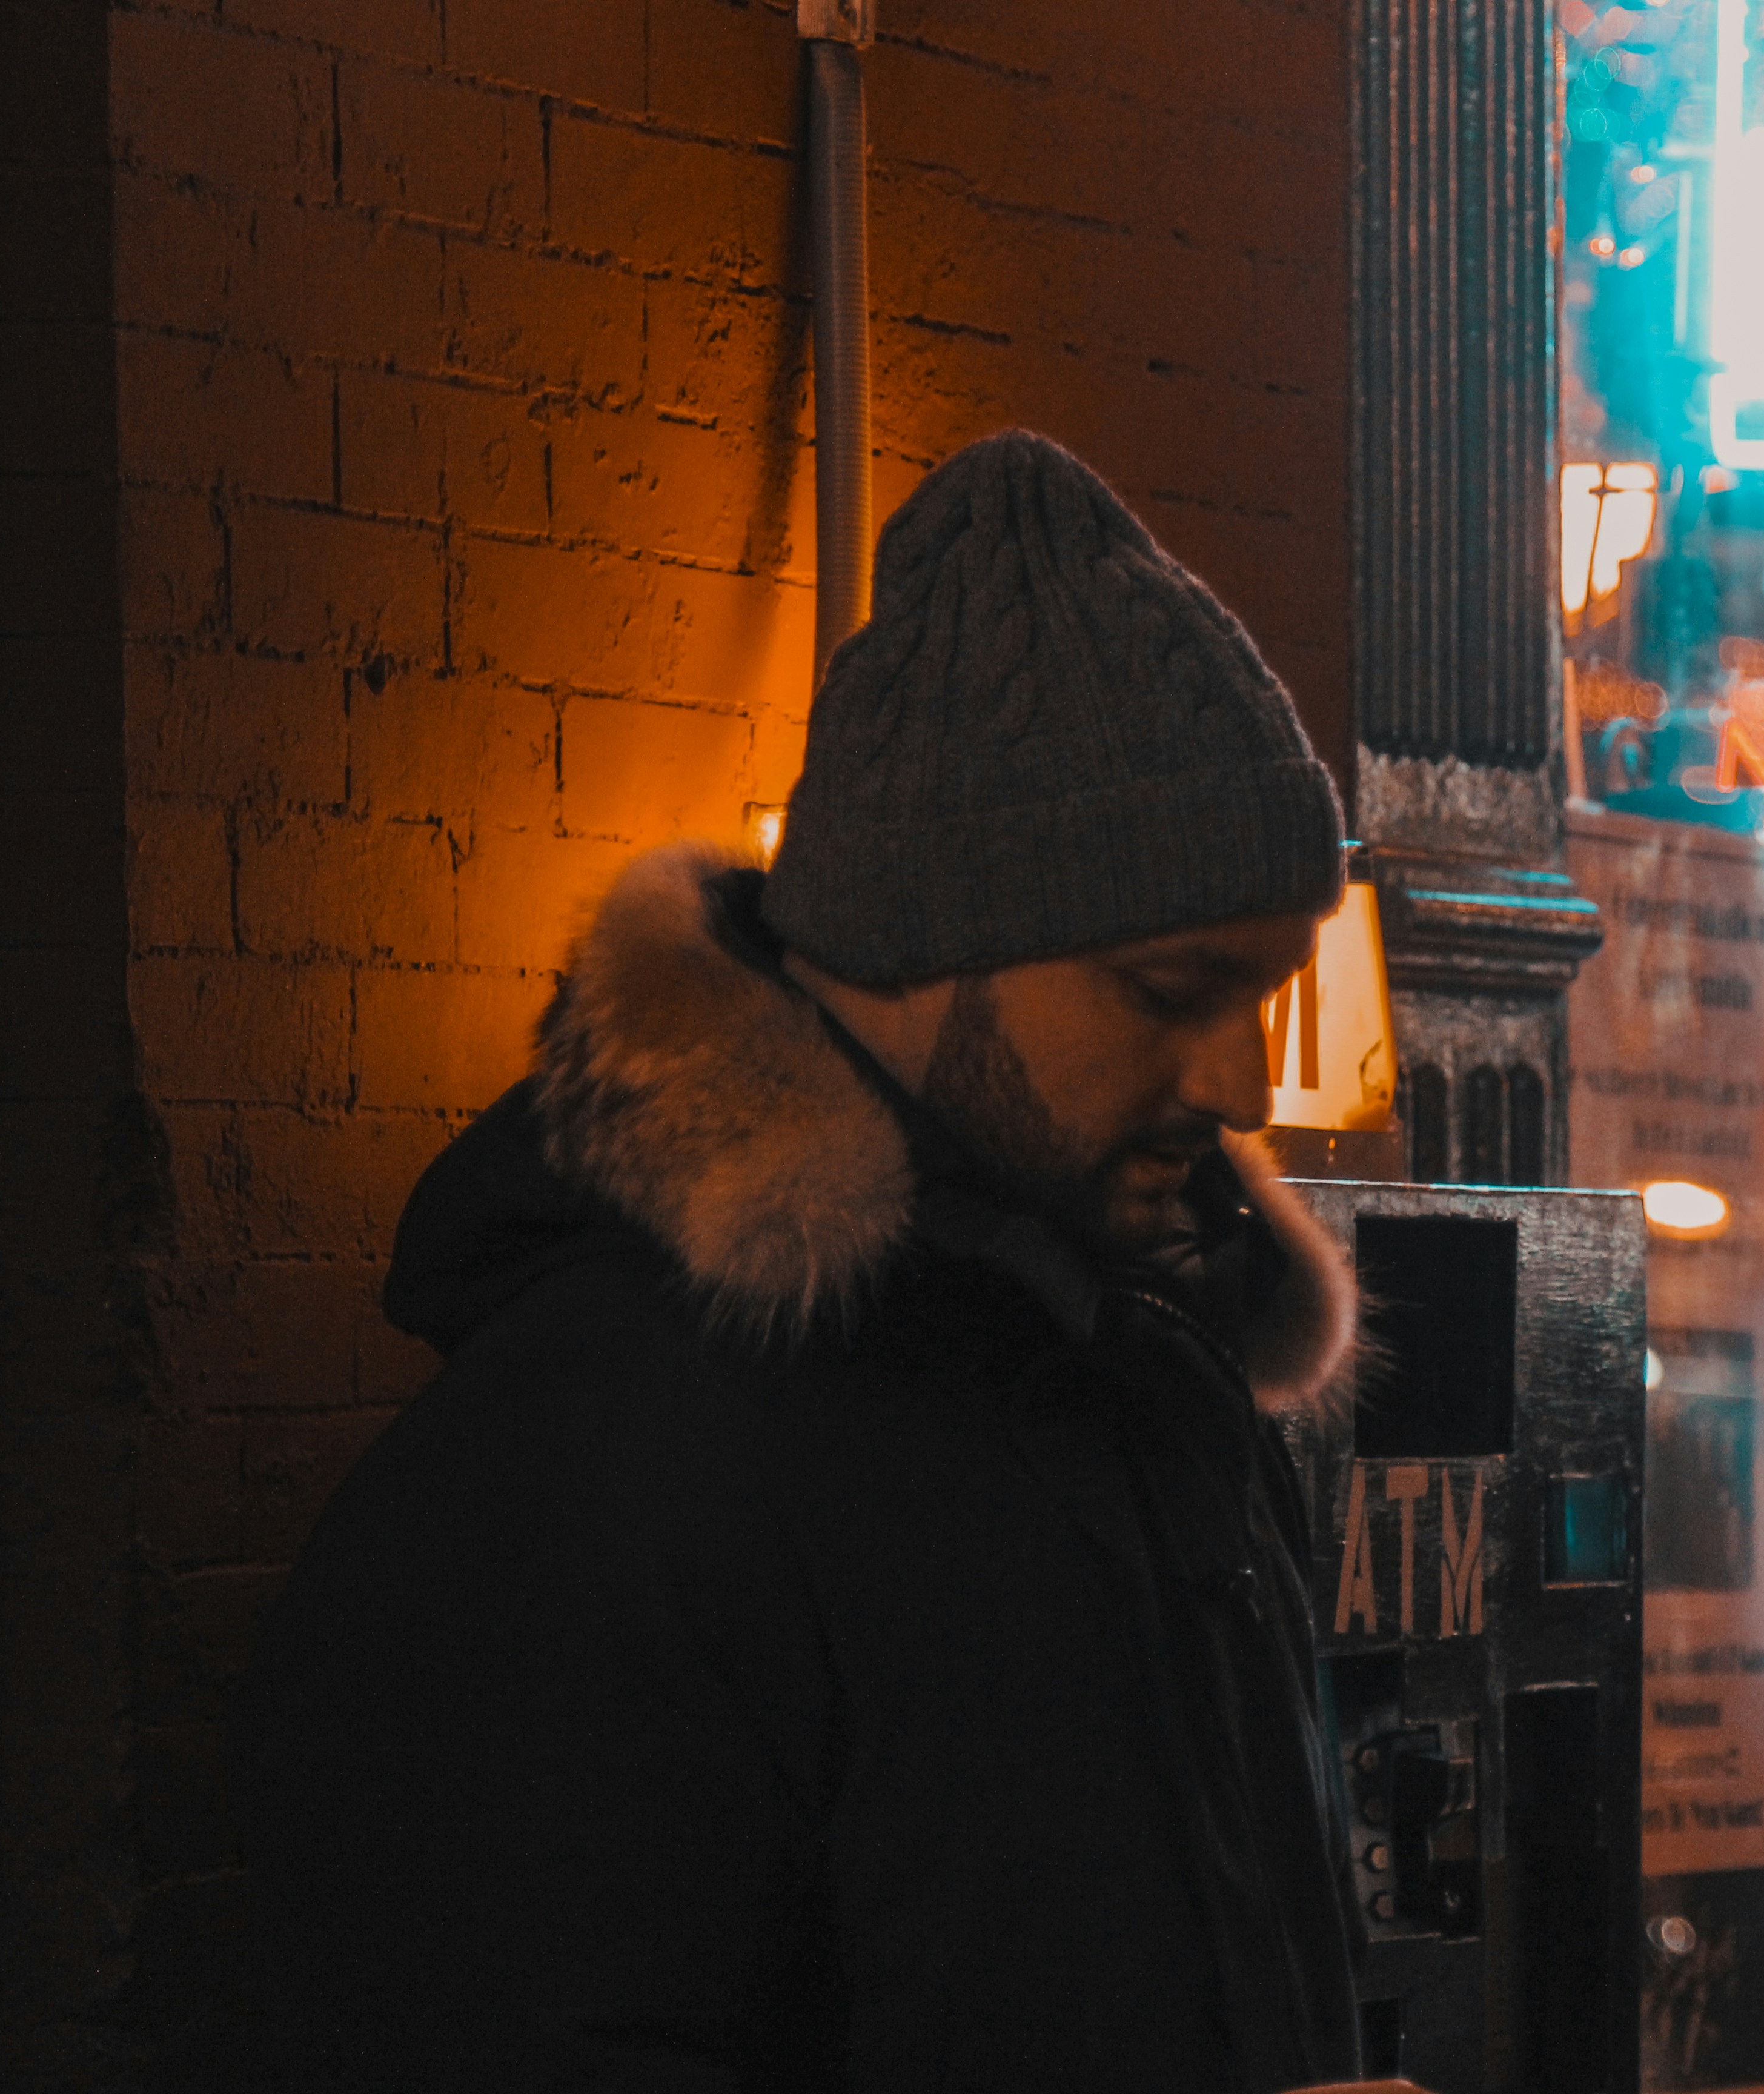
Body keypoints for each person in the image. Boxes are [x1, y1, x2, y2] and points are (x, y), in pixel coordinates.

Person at [242, 431, 1385, 2092]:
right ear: (930, 947)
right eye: (1167, 991)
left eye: (1268, 995)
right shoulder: (604, 1454)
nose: (1240, 1088)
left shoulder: (1152, 1385)